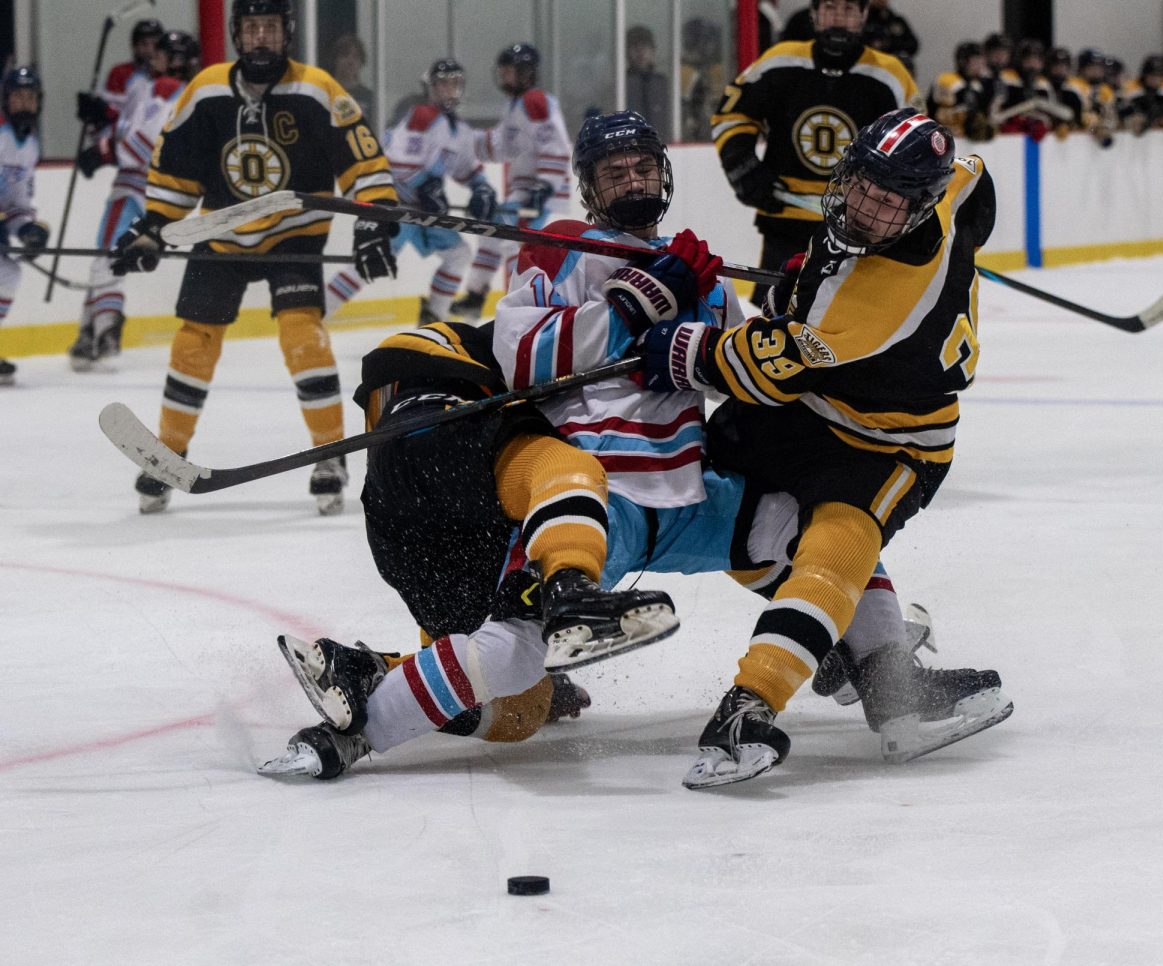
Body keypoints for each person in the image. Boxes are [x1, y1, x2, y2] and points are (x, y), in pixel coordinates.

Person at [261, 112, 1003, 781]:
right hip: (597, 499)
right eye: (617, 173)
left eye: (646, 168)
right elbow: (519, 360)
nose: (635, 180)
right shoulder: (560, 251)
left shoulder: (699, 273)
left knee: (833, 532)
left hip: (692, 494)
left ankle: (883, 676)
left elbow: (751, 371)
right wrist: (636, 304)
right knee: (516, 647)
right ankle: (358, 732)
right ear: (588, 186)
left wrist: (754, 318)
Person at [639, 107, 1009, 787]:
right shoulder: (952, 185)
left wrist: (680, 349)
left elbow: (759, 368)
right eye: (863, 184)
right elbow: (978, 185)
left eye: (888, 201)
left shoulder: (870, 304)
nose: (865, 207)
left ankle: (752, 704)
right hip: (818, 408)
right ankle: (879, 670)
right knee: (717, 489)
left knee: (835, 548)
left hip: (889, 444)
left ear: (919, 203)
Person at [110, 0, 398, 516]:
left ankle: (329, 456)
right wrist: (154, 226)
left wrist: (374, 221)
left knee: (301, 336)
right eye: (251, 28)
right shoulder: (207, 89)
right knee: (192, 344)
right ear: (237, 35)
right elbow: (176, 169)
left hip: (295, 236)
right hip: (222, 234)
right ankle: (169, 452)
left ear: (285, 34)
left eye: (269, 27)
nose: (260, 37)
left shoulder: (317, 89)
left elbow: (364, 160)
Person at [712, 0, 920, 304]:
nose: (838, 18)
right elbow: (732, 114)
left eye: (849, 11)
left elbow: (914, 144)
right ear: (814, 14)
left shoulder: (890, 75)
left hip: (859, 224)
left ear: (863, 16)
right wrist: (742, 167)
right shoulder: (779, 61)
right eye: (830, 8)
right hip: (786, 219)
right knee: (776, 320)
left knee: (849, 320)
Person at [324, 59, 498, 326]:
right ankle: (316, 315)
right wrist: (424, 185)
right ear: (430, 88)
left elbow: (466, 168)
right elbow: (395, 163)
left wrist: (482, 188)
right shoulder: (421, 116)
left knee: (458, 255)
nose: (449, 90)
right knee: (368, 264)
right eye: (442, 85)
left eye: (454, 84)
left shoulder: (459, 129)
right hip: (395, 206)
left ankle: (432, 320)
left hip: (424, 212)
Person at [68, 30, 202, 370]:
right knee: (110, 256)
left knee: (106, 257)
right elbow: (133, 128)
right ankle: (88, 332)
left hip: (133, 187)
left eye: (161, 53)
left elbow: (138, 145)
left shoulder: (167, 90)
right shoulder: (186, 92)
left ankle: (106, 332)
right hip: (162, 195)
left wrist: (102, 149)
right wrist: (106, 119)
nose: (153, 57)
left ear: (176, 60)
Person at [449, 43, 571, 321]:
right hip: (527, 192)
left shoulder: (535, 101)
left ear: (526, 72)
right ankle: (477, 294)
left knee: (514, 245)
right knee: (495, 235)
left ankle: (526, 304)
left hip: (544, 196)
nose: (503, 76)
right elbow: (502, 145)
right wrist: (462, 141)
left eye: (509, 71)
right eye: (502, 71)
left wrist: (545, 186)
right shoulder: (516, 105)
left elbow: (556, 147)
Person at [0, 67, 49, 386]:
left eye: (29, 97)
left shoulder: (29, 145)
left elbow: (16, 204)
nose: (24, 103)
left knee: (8, 275)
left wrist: (27, 229)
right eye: (18, 96)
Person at [75, 19, 164, 135]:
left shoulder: (166, 77)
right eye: (144, 44)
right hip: (124, 138)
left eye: (155, 44)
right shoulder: (120, 72)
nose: (150, 50)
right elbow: (114, 112)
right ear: (134, 46)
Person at [929, 41, 995, 141]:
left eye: (981, 61)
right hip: (943, 139)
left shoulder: (977, 85)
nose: (980, 65)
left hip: (965, 141)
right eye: (975, 61)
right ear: (963, 61)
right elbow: (940, 114)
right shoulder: (947, 80)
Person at [680, 17, 725, 142]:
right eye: (701, 40)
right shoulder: (683, 72)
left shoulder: (717, 71)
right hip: (691, 136)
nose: (707, 46)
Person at [625, 25, 669, 133]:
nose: (640, 51)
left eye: (644, 46)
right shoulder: (619, 86)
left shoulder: (665, 85)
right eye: (635, 46)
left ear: (653, 50)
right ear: (626, 52)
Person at [862, 0, 919, 76]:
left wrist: (891, 44)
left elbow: (913, 44)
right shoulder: (863, 22)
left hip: (897, 64)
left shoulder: (896, 20)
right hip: (873, 66)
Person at [328, 34, 374, 125]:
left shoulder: (368, 97)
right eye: (345, 55)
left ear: (361, 62)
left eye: (356, 57)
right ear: (335, 59)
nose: (350, 61)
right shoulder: (325, 92)